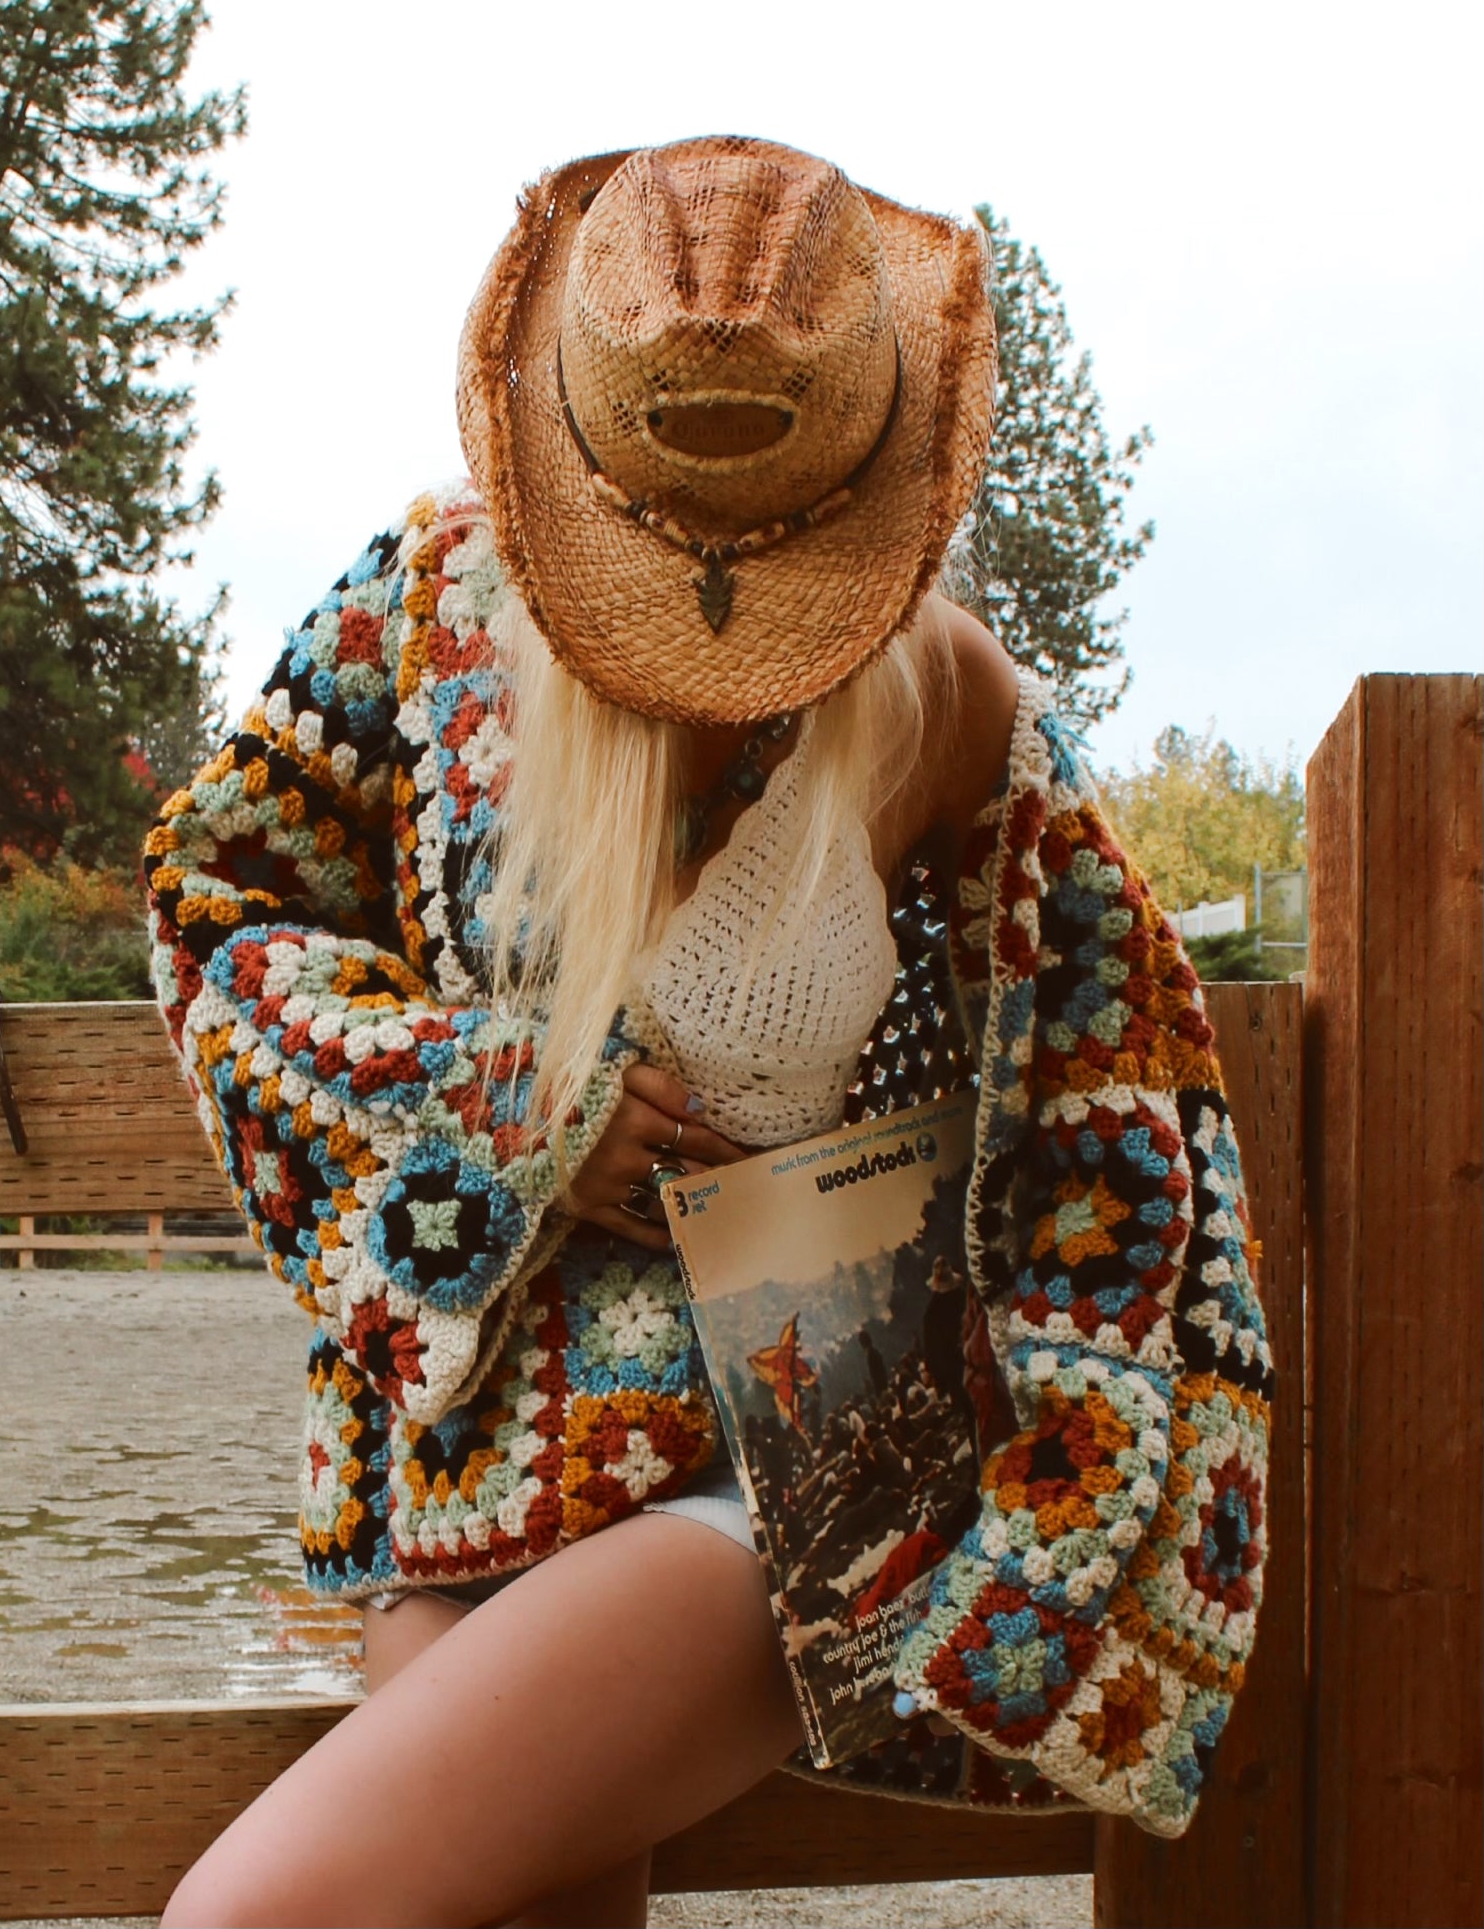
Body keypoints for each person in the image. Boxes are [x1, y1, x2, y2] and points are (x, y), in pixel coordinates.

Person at [144, 137, 1272, 1928]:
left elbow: (1121, 1101)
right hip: (468, 1460)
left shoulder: (941, 695)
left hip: (785, 1449)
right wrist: (509, 1111)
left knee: (251, 1915)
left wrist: (1061, 1513)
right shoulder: (428, 603)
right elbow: (216, 902)